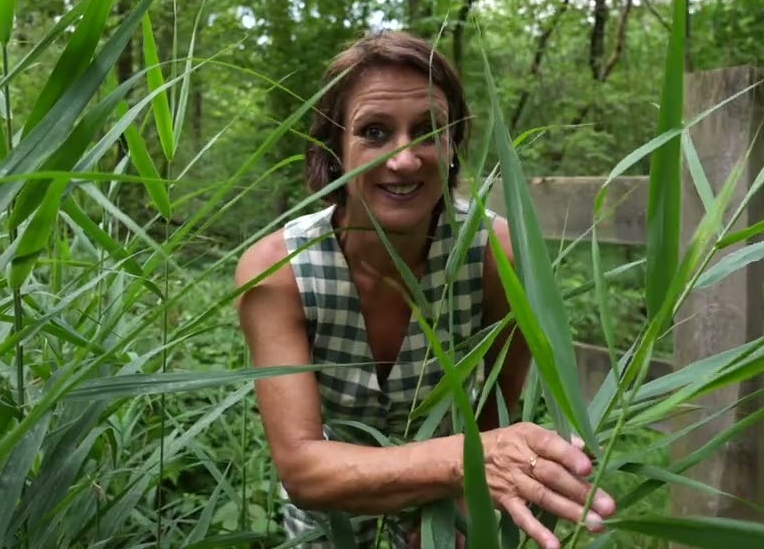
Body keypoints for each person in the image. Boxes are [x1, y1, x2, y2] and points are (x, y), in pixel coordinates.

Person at [234, 31, 615, 549]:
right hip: (329, 531)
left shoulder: (497, 255)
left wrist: (459, 509)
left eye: (429, 129)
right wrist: (468, 464)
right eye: (373, 131)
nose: (405, 159)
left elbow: (498, 414)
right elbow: (302, 468)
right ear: (335, 150)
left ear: (453, 145)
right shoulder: (277, 269)